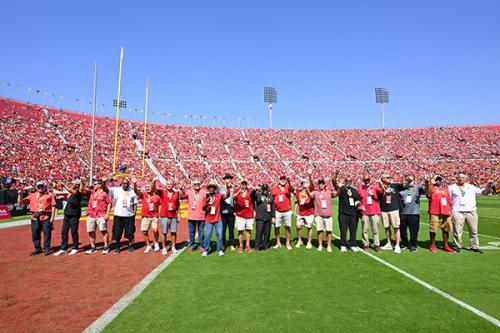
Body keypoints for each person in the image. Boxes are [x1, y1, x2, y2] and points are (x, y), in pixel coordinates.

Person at [448, 173, 492, 253]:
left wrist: (488, 186)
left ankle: (474, 246)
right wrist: (450, 212)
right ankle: (458, 245)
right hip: (458, 211)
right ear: (456, 178)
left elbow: (484, 193)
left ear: (466, 179)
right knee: (457, 230)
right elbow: (448, 199)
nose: (460, 178)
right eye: (459, 177)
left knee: (473, 230)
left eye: (462, 177)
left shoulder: (471, 187)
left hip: (471, 211)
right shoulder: (452, 188)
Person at [18, 181, 57, 256]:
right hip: (35, 218)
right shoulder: (32, 195)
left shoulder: (49, 195)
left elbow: (53, 206)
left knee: (47, 233)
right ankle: (38, 248)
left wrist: (52, 217)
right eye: (38, 187)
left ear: (44, 186)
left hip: (45, 216)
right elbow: (20, 203)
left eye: (41, 186)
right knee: (35, 234)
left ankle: (47, 248)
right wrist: (20, 195)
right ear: (36, 187)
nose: (40, 188)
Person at [54, 178, 85, 256]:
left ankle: (75, 247)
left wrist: (64, 185)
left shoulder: (78, 192)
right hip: (67, 214)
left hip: (74, 215)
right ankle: (63, 248)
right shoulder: (71, 192)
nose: (71, 184)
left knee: (74, 231)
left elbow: (73, 191)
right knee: (64, 232)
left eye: (73, 183)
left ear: (77, 185)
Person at [333, 173, 363, 253]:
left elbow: (357, 200)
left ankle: (353, 245)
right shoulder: (341, 188)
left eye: (350, 181)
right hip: (343, 213)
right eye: (347, 180)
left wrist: (359, 205)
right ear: (344, 181)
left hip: (353, 214)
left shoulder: (354, 190)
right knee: (343, 230)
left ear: (351, 182)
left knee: (353, 230)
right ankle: (343, 245)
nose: (348, 182)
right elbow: (334, 182)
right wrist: (336, 173)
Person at [424, 175, 455, 253]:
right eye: (436, 179)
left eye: (439, 180)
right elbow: (428, 195)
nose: (438, 181)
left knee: (446, 229)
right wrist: (431, 184)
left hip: (446, 211)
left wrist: (451, 212)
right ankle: (433, 244)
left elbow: (449, 201)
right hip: (435, 211)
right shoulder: (432, 188)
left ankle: (446, 245)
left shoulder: (445, 189)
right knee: (433, 229)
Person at [309, 172, 338, 252]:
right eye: (319, 183)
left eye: (322, 183)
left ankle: (328, 245)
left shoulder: (328, 192)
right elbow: (310, 196)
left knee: (329, 231)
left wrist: (340, 187)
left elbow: (336, 195)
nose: (321, 185)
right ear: (318, 184)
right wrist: (306, 189)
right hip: (319, 215)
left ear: (324, 184)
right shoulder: (315, 192)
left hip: (328, 215)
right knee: (320, 230)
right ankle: (320, 245)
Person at [108, 178, 138, 254]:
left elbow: (135, 204)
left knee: (130, 232)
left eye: (127, 183)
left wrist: (134, 213)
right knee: (117, 232)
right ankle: (117, 247)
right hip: (118, 215)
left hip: (129, 215)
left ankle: (130, 246)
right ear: (121, 184)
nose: (126, 185)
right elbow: (106, 189)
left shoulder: (132, 192)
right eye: (124, 183)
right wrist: (104, 182)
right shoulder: (116, 190)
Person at [83, 178, 112, 254]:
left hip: (101, 214)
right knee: (90, 231)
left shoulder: (104, 193)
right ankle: (93, 247)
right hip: (91, 214)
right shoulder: (92, 193)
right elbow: (82, 190)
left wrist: (107, 213)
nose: (94, 185)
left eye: (95, 184)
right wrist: (82, 182)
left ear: (100, 185)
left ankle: (106, 247)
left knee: (103, 231)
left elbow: (109, 203)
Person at [132, 178, 161, 253]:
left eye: (149, 187)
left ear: (152, 188)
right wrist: (135, 184)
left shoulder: (157, 196)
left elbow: (162, 205)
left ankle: (156, 243)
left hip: (154, 216)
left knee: (155, 230)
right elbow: (136, 191)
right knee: (144, 231)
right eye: (146, 187)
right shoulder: (144, 195)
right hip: (145, 216)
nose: (147, 188)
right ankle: (148, 245)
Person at [398, 175, 426, 252]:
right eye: (407, 179)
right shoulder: (401, 188)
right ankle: (404, 243)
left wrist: (427, 181)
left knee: (413, 230)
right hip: (403, 212)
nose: (409, 181)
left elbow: (425, 190)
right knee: (402, 230)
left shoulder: (417, 187)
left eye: (410, 179)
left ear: (414, 180)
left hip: (413, 212)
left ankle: (413, 245)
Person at [202, 181, 229, 256]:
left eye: (213, 187)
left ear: (214, 189)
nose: (211, 188)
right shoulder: (206, 196)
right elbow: (203, 208)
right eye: (210, 187)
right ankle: (206, 250)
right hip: (208, 219)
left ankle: (219, 250)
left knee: (219, 234)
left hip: (217, 218)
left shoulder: (218, 196)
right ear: (208, 188)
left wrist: (228, 187)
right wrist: (207, 203)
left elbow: (227, 195)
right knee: (207, 234)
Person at [156, 178, 183, 255]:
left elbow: (178, 204)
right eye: (168, 183)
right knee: (164, 233)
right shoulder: (162, 192)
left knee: (173, 232)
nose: (169, 185)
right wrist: (154, 181)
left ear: (173, 185)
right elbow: (154, 189)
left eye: (170, 184)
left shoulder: (176, 193)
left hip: (173, 215)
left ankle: (173, 247)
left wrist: (179, 214)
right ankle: (164, 248)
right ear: (165, 185)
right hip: (164, 215)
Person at [357, 174, 383, 252]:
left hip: (374, 211)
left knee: (375, 229)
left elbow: (382, 192)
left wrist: (380, 184)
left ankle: (377, 244)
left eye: (368, 180)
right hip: (365, 212)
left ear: (370, 180)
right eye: (365, 180)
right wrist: (360, 206)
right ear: (363, 181)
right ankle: (365, 244)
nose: (367, 181)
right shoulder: (360, 189)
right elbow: (357, 200)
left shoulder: (374, 188)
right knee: (365, 229)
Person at [379, 173, 403, 254]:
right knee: (386, 227)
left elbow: (405, 186)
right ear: (382, 179)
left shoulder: (394, 186)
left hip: (394, 209)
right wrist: (382, 186)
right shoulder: (379, 187)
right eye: (387, 177)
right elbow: (381, 193)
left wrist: (409, 181)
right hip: (384, 209)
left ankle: (397, 245)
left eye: (389, 177)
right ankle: (389, 243)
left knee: (396, 227)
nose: (389, 178)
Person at [271, 175, 295, 250]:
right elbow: (272, 199)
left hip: (287, 211)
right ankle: (278, 242)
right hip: (277, 211)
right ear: (279, 180)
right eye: (281, 178)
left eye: (284, 179)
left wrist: (289, 181)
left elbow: (292, 189)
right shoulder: (274, 188)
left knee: (287, 227)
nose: (282, 180)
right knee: (276, 227)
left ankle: (287, 243)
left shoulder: (288, 186)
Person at [294, 170, 315, 249]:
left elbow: (312, 183)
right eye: (302, 183)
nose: (304, 184)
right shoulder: (298, 192)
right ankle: (300, 240)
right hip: (301, 212)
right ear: (301, 184)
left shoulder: (310, 189)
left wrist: (310, 175)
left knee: (309, 227)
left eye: (305, 183)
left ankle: (309, 242)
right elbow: (297, 202)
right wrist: (295, 210)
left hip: (309, 212)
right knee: (298, 226)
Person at [233, 178, 254, 253]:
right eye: (242, 183)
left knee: (248, 230)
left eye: (245, 183)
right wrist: (239, 191)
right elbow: (234, 198)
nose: (244, 185)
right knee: (240, 230)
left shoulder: (250, 191)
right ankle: (241, 245)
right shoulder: (236, 190)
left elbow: (255, 199)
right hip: (240, 214)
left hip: (249, 213)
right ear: (240, 184)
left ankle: (248, 245)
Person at [185, 179, 206, 253]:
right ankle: (192, 245)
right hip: (191, 215)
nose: (197, 185)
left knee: (201, 232)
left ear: (200, 185)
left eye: (198, 184)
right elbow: (180, 195)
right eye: (195, 184)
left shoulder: (204, 193)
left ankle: (201, 246)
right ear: (193, 185)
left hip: (201, 215)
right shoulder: (189, 193)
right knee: (191, 232)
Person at [252, 184, 275, 250]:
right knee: (259, 232)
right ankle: (257, 246)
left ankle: (266, 245)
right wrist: (254, 190)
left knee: (267, 232)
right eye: (264, 189)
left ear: (268, 189)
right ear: (262, 189)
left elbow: (273, 206)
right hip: (260, 217)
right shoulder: (258, 195)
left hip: (268, 217)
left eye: (266, 189)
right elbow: (252, 196)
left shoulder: (270, 196)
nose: (265, 190)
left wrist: (273, 216)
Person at [220, 173, 236, 251]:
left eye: (230, 178)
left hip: (231, 209)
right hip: (223, 209)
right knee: (223, 229)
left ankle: (231, 243)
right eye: (227, 178)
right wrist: (227, 188)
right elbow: (222, 197)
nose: (229, 179)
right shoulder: (221, 188)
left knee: (231, 228)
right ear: (224, 180)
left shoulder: (233, 188)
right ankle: (223, 243)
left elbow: (235, 199)